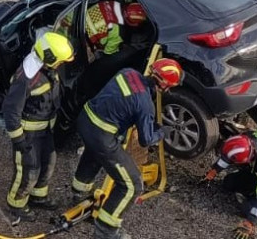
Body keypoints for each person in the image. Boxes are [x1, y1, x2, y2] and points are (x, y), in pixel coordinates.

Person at [70, 58, 183, 239]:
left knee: (94, 152)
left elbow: (119, 100)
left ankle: (79, 194)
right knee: (132, 184)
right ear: (164, 86)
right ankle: (106, 230)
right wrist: (162, 131)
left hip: (85, 120)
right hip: (102, 136)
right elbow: (146, 139)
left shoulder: (128, 72)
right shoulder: (145, 105)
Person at [2, 32, 74, 223]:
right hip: (29, 132)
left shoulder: (47, 69)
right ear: (50, 58)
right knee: (29, 168)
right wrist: (19, 140)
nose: (61, 65)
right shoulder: (26, 78)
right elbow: (10, 111)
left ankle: (38, 196)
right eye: (60, 61)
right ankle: (16, 203)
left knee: (49, 161)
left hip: (45, 129)